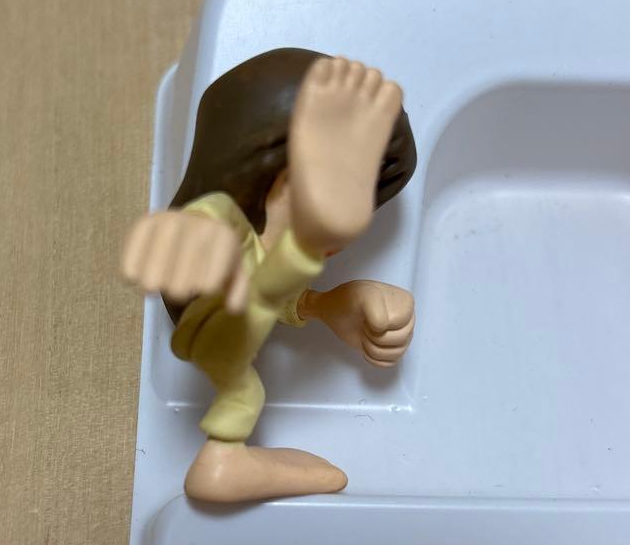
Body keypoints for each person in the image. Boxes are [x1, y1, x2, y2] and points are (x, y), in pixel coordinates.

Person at [121, 50, 417, 502]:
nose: (342, 237)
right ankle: (223, 460)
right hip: (214, 333)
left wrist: (329, 305)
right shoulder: (223, 226)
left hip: (229, 319)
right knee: (246, 392)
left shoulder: (256, 250)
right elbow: (227, 255)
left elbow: (267, 287)